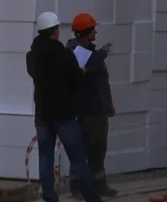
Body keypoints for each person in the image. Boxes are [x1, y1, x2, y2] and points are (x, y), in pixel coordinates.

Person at [26, 12, 103, 202]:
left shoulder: (32, 56)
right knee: (78, 159)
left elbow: (36, 75)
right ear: (54, 32)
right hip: (64, 115)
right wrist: (81, 72)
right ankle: (92, 197)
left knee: (45, 158)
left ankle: (50, 197)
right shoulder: (64, 55)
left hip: (42, 114)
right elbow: (76, 81)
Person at [66, 13, 117, 198]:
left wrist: (108, 104)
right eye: (93, 29)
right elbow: (91, 62)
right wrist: (103, 52)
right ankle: (77, 187)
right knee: (82, 150)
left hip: (98, 110)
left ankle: (99, 184)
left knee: (99, 149)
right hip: (84, 112)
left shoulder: (89, 51)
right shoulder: (74, 52)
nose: (95, 32)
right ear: (85, 32)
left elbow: (101, 82)